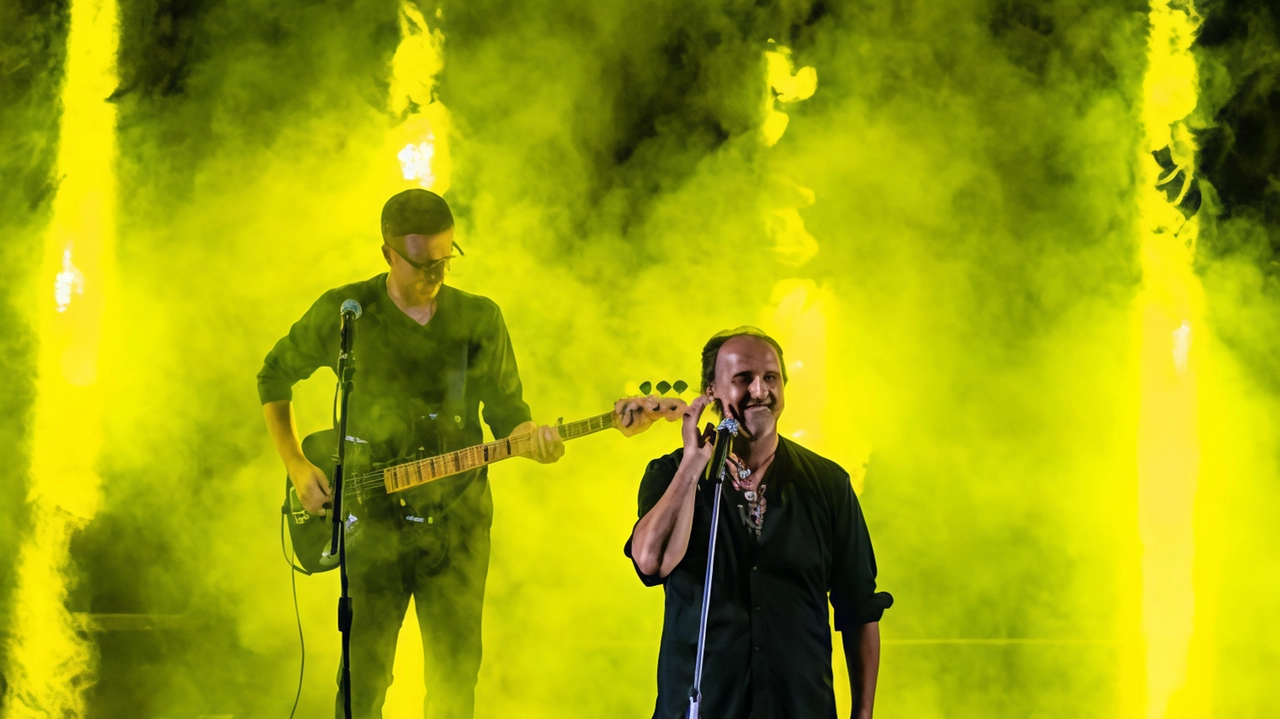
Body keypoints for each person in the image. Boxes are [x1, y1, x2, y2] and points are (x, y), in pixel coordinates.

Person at [258, 189, 565, 719]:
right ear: (387, 254)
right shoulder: (347, 313)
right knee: (364, 678)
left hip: (459, 525)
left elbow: (510, 409)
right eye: (421, 263)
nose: (434, 273)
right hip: (370, 522)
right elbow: (274, 375)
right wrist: (294, 462)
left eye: (445, 259)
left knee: (454, 678)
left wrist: (530, 439)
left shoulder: (479, 318)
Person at [621, 327, 893, 719]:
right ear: (710, 391)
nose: (760, 390)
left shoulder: (828, 484)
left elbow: (859, 607)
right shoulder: (671, 475)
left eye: (770, 378)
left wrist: (863, 715)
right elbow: (650, 563)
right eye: (742, 378)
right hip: (704, 708)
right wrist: (692, 467)